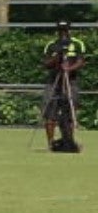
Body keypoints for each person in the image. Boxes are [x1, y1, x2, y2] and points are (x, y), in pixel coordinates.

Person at [42, 19, 86, 154]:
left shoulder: (77, 43)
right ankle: (51, 143)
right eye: (61, 30)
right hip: (54, 81)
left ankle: (69, 141)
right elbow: (46, 64)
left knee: (70, 112)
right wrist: (56, 58)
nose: (63, 33)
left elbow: (81, 61)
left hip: (70, 81)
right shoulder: (51, 45)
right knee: (50, 112)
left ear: (69, 30)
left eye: (65, 30)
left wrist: (69, 68)